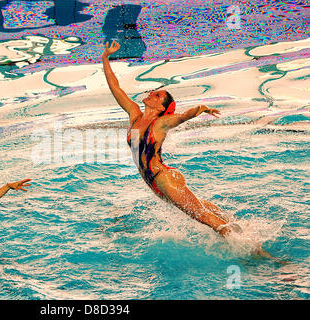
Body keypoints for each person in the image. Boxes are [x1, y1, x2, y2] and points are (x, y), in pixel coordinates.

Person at [102, 41, 279, 260]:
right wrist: (105, 58)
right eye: (154, 92)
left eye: (157, 95)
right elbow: (115, 88)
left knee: (205, 218)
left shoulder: (160, 124)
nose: (152, 94)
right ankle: (241, 228)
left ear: (161, 108)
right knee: (202, 208)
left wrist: (200, 109)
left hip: (164, 178)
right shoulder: (135, 114)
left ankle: (260, 256)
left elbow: (182, 117)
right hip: (157, 183)